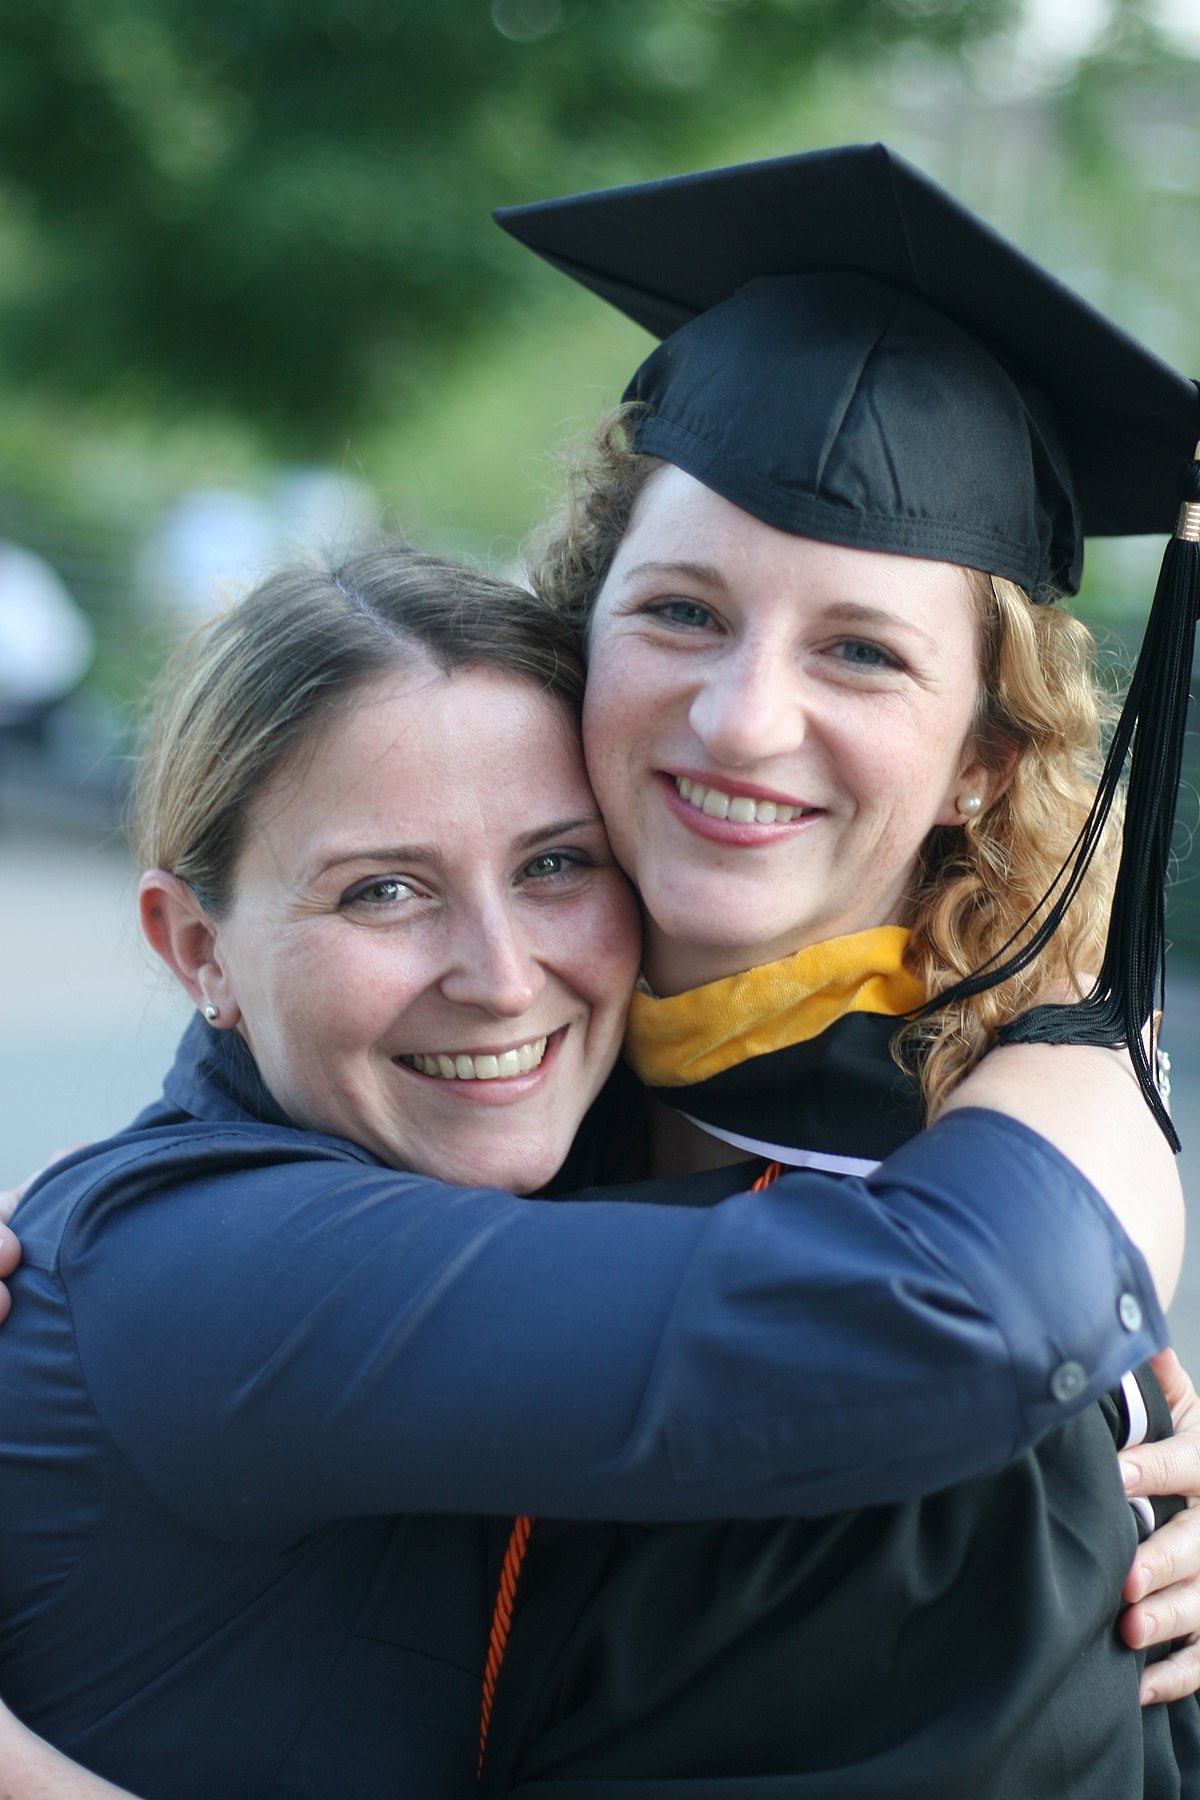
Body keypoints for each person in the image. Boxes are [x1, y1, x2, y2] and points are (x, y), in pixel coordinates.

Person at [0, 541, 1185, 1800]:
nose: (503, 977)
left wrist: (1133, 1444)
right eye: (384, 891)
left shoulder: (506, 1172)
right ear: (198, 948)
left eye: (556, 864)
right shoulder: (198, 1273)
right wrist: (1086, 1046)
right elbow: (946, 1315)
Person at [473, 144, 1200, 1794]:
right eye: (678, 613)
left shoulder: (962, 1373)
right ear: (581, 631)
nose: (741, 719)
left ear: (986, 758)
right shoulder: (456, 1079)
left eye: (861, 650)